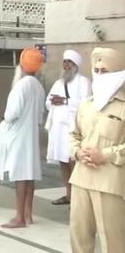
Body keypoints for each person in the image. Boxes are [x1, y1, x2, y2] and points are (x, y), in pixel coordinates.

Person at [69, 47, 125, 253]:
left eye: (105, 71)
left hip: (110, 182)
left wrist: (105, 155)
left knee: (113, 241)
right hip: (81, 178)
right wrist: (77, 152)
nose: (99, 75)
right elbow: (74, 135)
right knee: (79, 237)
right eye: (97, 70)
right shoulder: (86, 105)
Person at [0, 48, 45, 228]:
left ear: (21, 65)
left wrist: (2, 119)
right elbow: (39, 117)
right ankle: (28, 214)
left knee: (20, 177)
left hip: (19, 137)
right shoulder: (38, 86)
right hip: (31, 135)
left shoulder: (21, 85)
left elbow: (12, 113)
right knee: (29, 175)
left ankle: (19, 217)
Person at [45, 50, 91, 205]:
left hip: (72, 129)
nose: (66, 65)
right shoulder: (59, 83)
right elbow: (47, 102)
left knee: (74, 162)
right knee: (63, 163)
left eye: (69, 62)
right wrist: (53, 101)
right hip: (58, 130)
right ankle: (69, 195)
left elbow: (86, 104)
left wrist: (65, 101)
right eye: (64, 62)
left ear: (75, 65)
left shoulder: (83, 82)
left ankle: (78, 199)